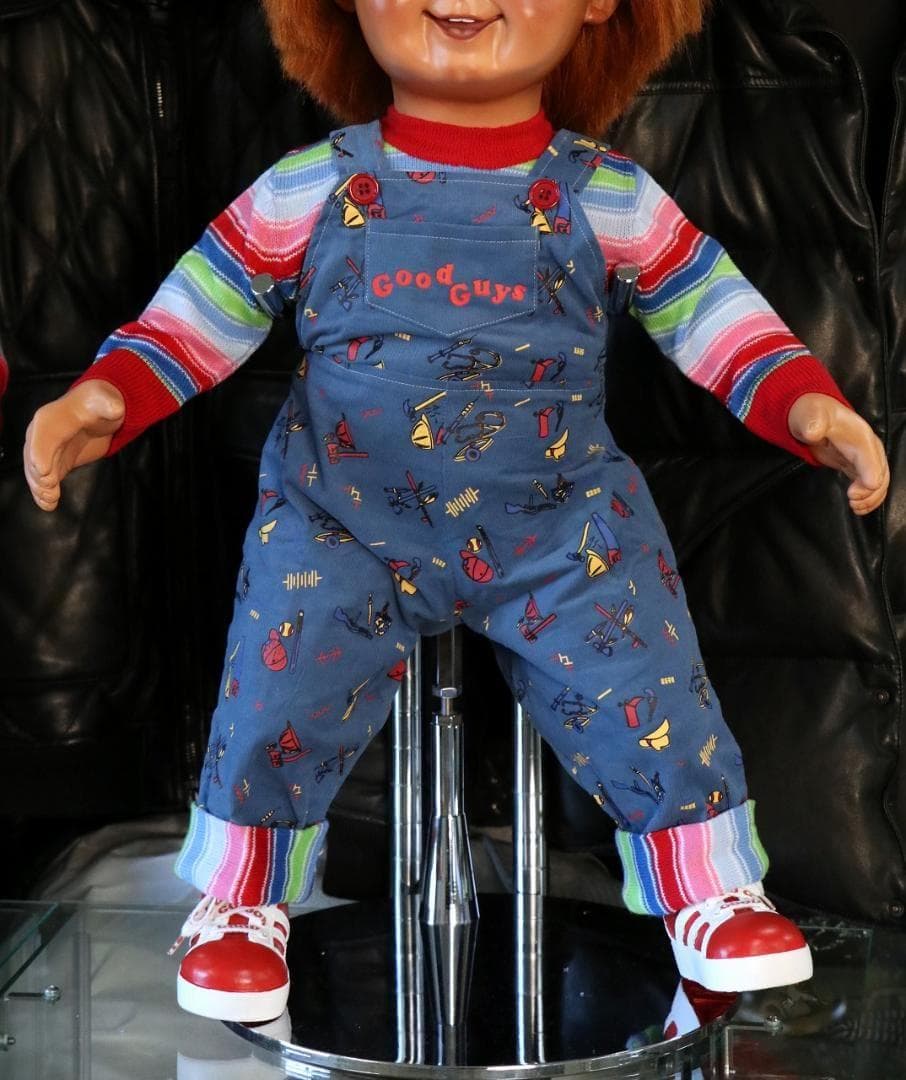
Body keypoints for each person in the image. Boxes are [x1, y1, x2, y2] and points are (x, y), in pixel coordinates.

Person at [22, 0, 888, 1024]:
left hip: (560, 528)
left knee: (649, 682)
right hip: (342, 520)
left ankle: (708, 887)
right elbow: (202, 304)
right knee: (276, 681)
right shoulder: (313, 187)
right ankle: (243, 897)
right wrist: (109, 397)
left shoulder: (607, 195)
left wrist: (803, 403)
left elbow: (708, 304)